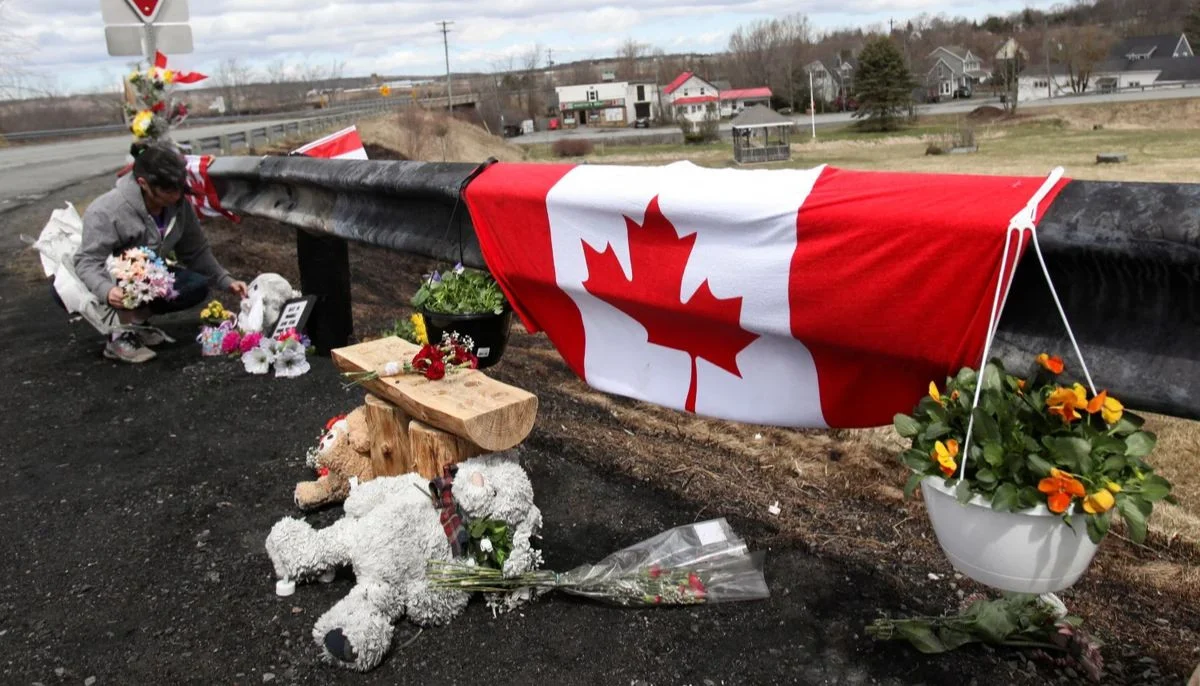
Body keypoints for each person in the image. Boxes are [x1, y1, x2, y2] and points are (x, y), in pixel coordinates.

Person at [75, 141, 248, 363]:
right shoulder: (107, 210)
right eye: (168, 190)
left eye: (179, 188)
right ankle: (119, 334)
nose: (176, 196)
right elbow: (87, 261)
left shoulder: (177, 205)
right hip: (106, 279)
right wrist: (106, 290)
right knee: (131, 268)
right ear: (143, 184)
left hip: (147, 276)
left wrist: (226, 280)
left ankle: (136, 323)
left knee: (195, 285)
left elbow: (195, 251)